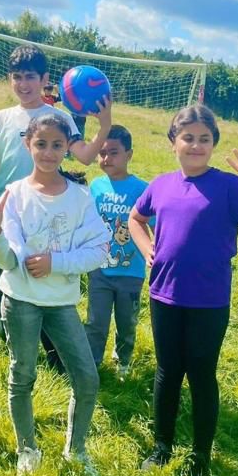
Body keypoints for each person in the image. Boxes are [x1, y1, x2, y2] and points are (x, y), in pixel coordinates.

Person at [128, 104, 238, 476]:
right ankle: (162, 446)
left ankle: (201, 455)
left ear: (213, 144)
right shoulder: (160, 184)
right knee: (166, 371)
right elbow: (136, 218)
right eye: (188, 138)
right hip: (164, 294)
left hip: (209, 300)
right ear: (173, 142)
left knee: (201, 373)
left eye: (204, 139)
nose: (195, 145)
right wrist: (146, 247)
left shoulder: (228, 186)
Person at [0, 45, 112, 358]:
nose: (23, 84)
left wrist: (104, 125)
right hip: (10, 217)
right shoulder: (2, 119)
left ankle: (55, 353)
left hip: (50, 214)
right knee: (10, 280)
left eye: (30, 77)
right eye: (17, 77)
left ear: (45, 79)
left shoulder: (58, 117)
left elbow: (83, 156)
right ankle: (20, 351)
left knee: (48, 280)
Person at [0, 113, 109, 476]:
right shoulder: (16, 194)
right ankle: (27, 449)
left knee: (87, 378)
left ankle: (76, 450)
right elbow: (10, 261)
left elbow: (100, 249)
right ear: (28, 145)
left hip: (61, 303)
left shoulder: (80, 198)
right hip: (20, 301)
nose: (49, 152)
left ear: (68, 146)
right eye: (41, 144)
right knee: (22, 375)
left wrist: (57, 262)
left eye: (57, 145)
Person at [85, 124, 152, 379]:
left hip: (131, 272)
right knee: (96, 322)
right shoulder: (96, 187)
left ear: (129, 155)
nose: (106, 158)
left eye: (113, 152)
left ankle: (123, 361)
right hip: (99, 270)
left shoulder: (143, 190)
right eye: (101, 153)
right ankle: (92, 364)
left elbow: (156, 226)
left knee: (127, 322)